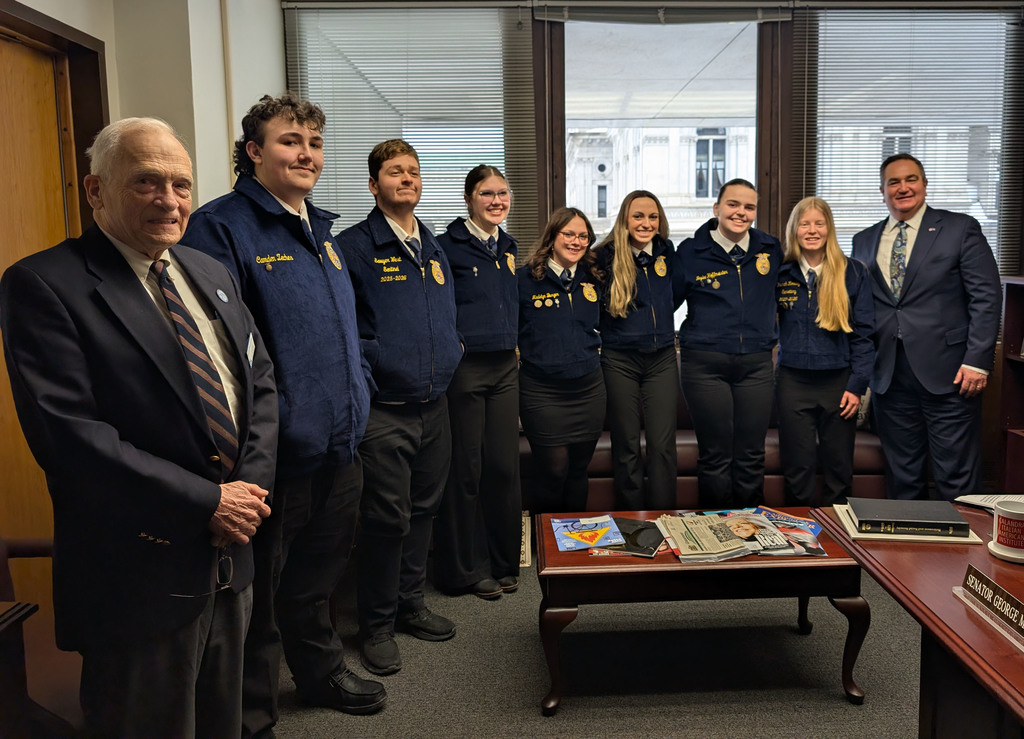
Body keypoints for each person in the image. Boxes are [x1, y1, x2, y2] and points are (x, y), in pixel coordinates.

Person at [0, 118, 277, 737]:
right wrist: (208, 501)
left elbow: (260, 385)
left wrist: (246, 496)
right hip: (139, 573)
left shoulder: (210, 273)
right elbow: (71, 438)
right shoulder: (45, 284)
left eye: (181, 184)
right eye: (146, 182)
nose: (170, 200)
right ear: (96, 191)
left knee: (222, 723)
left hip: (233, 555)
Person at [183, 94, 385, 734]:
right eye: (290, 141)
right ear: (254, 152)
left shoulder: (321, 230)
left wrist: (363, 390)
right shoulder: (221, 229)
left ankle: (319, 672)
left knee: (316, 580)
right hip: (274, 458)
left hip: (341, 445)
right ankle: (252, 716)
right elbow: (216, 354)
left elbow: (343, 332)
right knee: (258, 600)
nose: (307, 155)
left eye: (315, 144)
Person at [338, 139, 463, 676]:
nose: (406, 179)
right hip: (385, 410)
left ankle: (411, 603)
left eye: (413, 172)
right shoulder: (353, 247)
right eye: (394, 172)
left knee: (423, 511)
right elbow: (348, 333)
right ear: (373, 185)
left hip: (434, 405)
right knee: (385, 519)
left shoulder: (431, 247)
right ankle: (377, 625)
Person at [851, 154, 1001, 501]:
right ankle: (907, 555)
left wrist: (978, 360)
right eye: (893, 182)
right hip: (888, 374)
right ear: (882, 190)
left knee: (957, 476)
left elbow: (987, 297)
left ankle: (965, 554)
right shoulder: (864, 240)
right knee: (903, 476)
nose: (903, 188)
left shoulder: (960, 228)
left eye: (911, 179)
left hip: (951, 374)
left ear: (924, 184)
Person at [433, 165, 521, 601]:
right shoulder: (446, 246)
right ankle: (467, 569)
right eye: (487, 194)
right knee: (466, 471)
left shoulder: (508, 245)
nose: (496, 201)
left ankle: (505, 561)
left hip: (506, 368)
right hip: (467, 371)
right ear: (469, 198)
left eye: (502, 194)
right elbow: (437, 306)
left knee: (504, 468)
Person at [671, 178, 782, 509]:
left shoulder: (770, 248)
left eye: (749, 207)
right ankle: (716, 536)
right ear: (717, 208)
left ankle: (753, 530)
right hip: (705, 365)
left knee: (751, 453)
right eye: (733, 204)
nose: (741, 212)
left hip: (757, 365)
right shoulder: (690, 252)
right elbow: (665, 305)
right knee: (715, 454)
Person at [776, 197, 875, 507]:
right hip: (793, 383)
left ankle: (840, 542)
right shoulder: (780, 274)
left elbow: (864, 335)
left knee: (839, 468)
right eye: (805, 224)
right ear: (794, 229)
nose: (812, 230)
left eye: (819, 223)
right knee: (798, 467)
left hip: (839, 384)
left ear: (829, 228)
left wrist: (857, 386)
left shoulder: (854, 272)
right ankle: (799, 538)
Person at [593, 191, 679, 511]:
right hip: (619, 360)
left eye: (652, 217)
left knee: (661, 446)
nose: (646, 223)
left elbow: (676, 294)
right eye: (638, 216)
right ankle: (632, 521)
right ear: (625, 219)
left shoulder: (667, 252)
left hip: (662, 359)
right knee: (627, 445)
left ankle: (664, 519)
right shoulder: (604, 256)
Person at [517, 207, 606, 513]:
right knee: (553, 471)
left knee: (580, 471)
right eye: (568, 234)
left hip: (589, 390)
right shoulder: (524, 280)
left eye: (583, 236)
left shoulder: (594, 279)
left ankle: (574, 545)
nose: (576, 241)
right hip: (542, 393)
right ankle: (547, 548)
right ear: (552, 237)